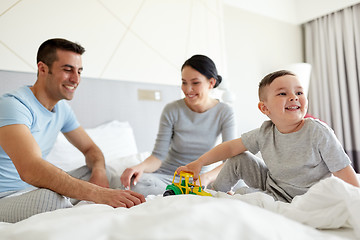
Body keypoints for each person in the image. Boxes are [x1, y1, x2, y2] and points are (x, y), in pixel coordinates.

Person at [0, 38, 145, 223]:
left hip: (34, 189)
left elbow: (91, 150)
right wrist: (98, 194)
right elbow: (30, 168)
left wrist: (99, 172)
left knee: (103, 170)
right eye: (68, 70)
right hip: (5, 197)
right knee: (49, 199)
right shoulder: (13, 105)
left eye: (79, 71)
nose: (76, 79)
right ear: (43, 69)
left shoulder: (61, 109)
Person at [176, 70, 360, 202]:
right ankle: (216, 193)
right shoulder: (265, 131)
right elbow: (231, 147)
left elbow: (342, 169)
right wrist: (200, 162)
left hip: (305, 196)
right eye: (283, 93)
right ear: (265, 108)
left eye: (299, 92)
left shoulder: (318, 131)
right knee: (238, 158)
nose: (294, 97)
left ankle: (234, 196)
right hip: (273, 185)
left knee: (244, 195)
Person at [120, 55, 238, 196]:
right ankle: (195, 195)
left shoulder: (224, 112)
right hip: (169, 177)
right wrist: (140, 167)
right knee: (138, 184)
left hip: (201, 179)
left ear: (211, 82)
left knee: (242, 181)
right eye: (184, 82)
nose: (188, 89)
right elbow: (157, 157)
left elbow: (230, 159)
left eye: (195, 83)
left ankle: (189, 194)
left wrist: (205, 178)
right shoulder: (172, 109)